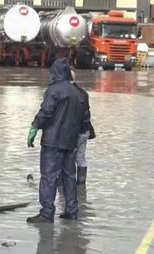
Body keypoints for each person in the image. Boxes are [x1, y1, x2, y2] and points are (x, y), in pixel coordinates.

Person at [27, 58, 88, 223]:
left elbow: (45, 112)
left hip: (52, 142)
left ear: (55, 73)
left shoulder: (54, 91)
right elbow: (82, 119)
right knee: (69, 176)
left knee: (49, 177)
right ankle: (71, 211)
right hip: (70, 143)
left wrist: (34, 128)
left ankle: (47, 213)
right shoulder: (78, 93)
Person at [71, 70, 95, 185]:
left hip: (72, 132)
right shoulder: (84, 93)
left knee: (67, 159)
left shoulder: (68, 93)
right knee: (81, 158)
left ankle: (64, 190)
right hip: (85, 130)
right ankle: (81, 188)